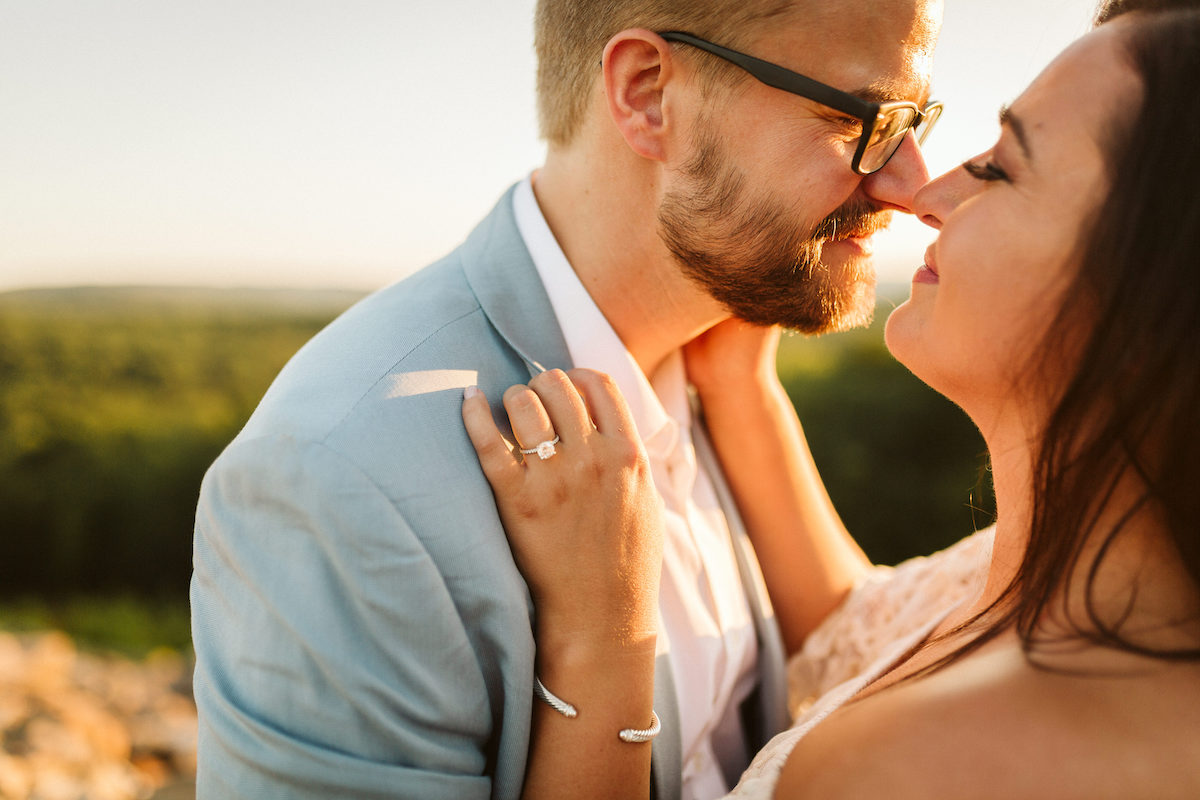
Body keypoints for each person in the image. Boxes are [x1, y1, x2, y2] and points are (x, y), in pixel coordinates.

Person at [190, 0, 941, 797]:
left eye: (919, 121)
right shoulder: (341, 472)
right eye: (866, 117)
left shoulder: (726, 361)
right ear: (648, 94)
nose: (909, 184)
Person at [462, 4, 1200, 798]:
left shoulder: (917, 770)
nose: (926, 191)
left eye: (1000, 168)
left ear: (1147, 292)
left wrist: (605, 643)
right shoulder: (1100, 578)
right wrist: (743, 392)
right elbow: (863, 635)